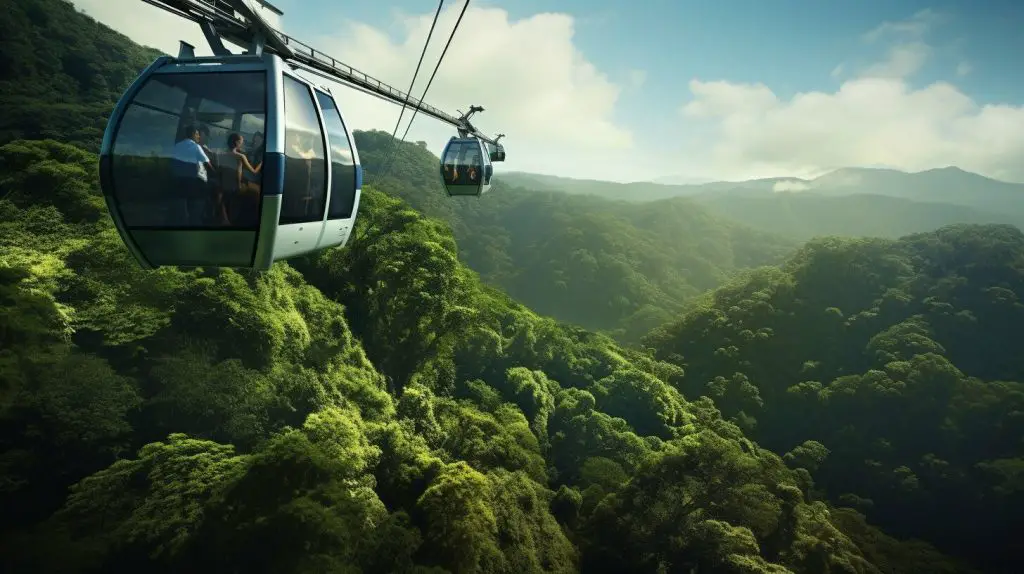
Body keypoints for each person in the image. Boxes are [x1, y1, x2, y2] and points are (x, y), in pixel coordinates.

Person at [171, 124, 214, 225]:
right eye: (198, 134)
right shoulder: (196, 146)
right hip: (192, 181)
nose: (199, 136)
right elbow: (207, 163)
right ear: (193, 134)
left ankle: (184, 220)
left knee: (182, 205)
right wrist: (215, 172)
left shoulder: (177, 145)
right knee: (196, 207)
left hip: (178, 180)